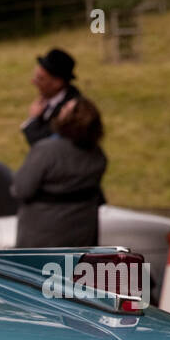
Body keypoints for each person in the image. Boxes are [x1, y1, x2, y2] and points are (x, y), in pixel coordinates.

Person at [11, 97, 107, 247]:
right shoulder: (97, 155)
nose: (60, 110)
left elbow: (21, 189)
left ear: (70, 119)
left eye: (64, 109)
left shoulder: (46, 151)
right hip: (81, 235)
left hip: (42, 236)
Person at [22, 48, 81, 146]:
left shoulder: (69, 109)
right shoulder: (50, 99)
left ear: (57, 83)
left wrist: (33, 119)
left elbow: (41, 144)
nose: (33, 82)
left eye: (40, 78)